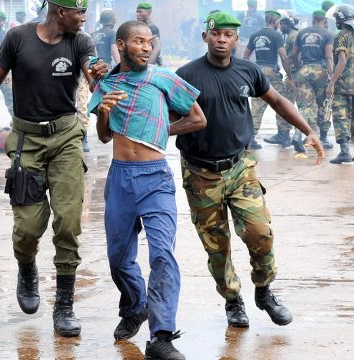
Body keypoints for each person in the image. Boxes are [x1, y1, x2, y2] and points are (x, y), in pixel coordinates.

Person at [0, 0, 106, 337]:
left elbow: (93, 72)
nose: (84, 18)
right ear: (58, 11)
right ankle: (27, 268)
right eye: (79, 12)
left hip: (67, 137)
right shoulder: (18, 38)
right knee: (27, 228)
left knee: (68, 221)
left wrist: (99, 77)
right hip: (26, 140)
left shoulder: (80, 41)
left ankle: (64, 305)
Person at [176, 11, 324, 330]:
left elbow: (278, 100)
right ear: (205, 37)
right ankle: (233, 301)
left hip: (240, 167)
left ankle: (264, 291)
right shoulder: (186, 75)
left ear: (236, 40)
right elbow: (164, 115)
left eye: (228, 35)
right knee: (217, 244)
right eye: (216, 34)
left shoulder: (248, 71)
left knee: (260, 233)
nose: (221, 40)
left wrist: (308, 130)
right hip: (201, 173)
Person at [89, 20, 206, 360]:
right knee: (118, 260)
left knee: (161, 255)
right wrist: (104, 114)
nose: (145, 47)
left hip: (156, 178)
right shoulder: (107, 83)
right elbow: (103, 136)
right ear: (121, 45)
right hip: (121, 177)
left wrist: (160, 130)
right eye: (137, 41)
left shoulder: (163, 78)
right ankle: (136, 304)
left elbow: (198, 118)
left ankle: (162, 336)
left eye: (149, 42)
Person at [326, 4, 354, 164]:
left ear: (341, 19)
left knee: (340, 117)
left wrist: (331, 83)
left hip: (343, 86)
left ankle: (345, 152)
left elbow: (342, 61)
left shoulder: (341, 36)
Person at [243, 10, 292, 150]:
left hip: (258, 72)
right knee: (282, 102)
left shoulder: (255, 35)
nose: (279, 24)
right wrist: (290, 76)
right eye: (278, 22)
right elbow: (283, 57)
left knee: (257, 106)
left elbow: (246, 56)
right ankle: (283, 135)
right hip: (271, 72)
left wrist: (250, 72)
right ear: (275, 21)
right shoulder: (276, 35)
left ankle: (250, 138)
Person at [291, 9, 334, 152]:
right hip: (320, 71)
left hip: (304, 70)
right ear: (325, 21)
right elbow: (328, 57)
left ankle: (297, 134)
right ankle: (323, 137)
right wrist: (332, 76)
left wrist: (299, 70)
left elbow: (294, 54)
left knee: (304, 106)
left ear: (312, 19)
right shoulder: (328, 34)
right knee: (324, 105)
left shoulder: (301, 33)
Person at [264, 10, 301, 148]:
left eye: (282, 24)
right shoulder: (291, 36)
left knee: (285, 105)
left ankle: (285, 135)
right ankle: (286, 135)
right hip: (294, 75)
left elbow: (295, 57)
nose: (280, 26)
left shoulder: (293, 36)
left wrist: (294, 75)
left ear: (287, 23)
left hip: (294, 77)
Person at [0, 10, 15, 118]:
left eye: (3, 21)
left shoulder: (5, 34)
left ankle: (16, 121)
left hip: (2, 69)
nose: (1, 23)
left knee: (10, 96)